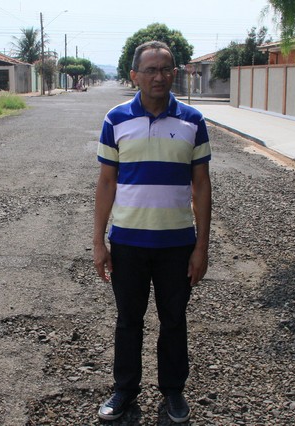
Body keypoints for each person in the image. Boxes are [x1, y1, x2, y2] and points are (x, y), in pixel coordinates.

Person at [93, 40, 212, 423]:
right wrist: (99, 242)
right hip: (127, 242)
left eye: (165, 69)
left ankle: (173, 392)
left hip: (177, 243)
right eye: (150, 70)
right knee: (129, 319)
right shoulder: (115, 120)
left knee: (174, 320)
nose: (158, 76)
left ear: (174, 74)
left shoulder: (193, 121)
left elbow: (202, 186)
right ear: (135, 76)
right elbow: (106, 183)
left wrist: (202, 248)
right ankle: (125, 391)